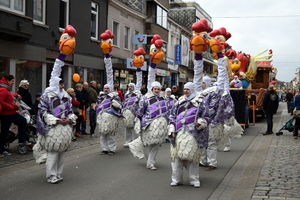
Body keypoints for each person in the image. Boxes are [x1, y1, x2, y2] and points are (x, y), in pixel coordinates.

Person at [168, 82, 209, 188]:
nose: (186, 91)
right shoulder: (179, 102)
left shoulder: (200, 102)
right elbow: (172, 116)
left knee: (192, 158)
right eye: (185, 89)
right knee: (176, 158)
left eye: (188, 89)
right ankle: (176, 179)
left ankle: (194, 180)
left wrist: (201, 121)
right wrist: (172, 126)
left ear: (192, 90)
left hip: (193, 134)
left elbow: (207, 116)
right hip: (179, 133)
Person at [129, 81, 168, 170]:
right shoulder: (145, 98)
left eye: (158, 89)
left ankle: (150, 163)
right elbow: (140, 111)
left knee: (157, 144)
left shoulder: (162, 98)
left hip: (160, 126)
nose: (157, 91)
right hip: (148, 124)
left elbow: (166, 111)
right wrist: (138, 121)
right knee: (147, 143)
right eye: (155, 89)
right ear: (152, 89)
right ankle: (149, 160)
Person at [0, 75, 30, 157]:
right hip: (6, 114)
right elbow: (1, 101)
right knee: (4, 131)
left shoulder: (6, 89)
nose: (13, 83)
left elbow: (8, 98)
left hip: (11, 112)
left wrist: (15, 95)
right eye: (12, 81)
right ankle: (1, 150)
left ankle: (22, 140)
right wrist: (11, 106)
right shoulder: (3, 89)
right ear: (7, 81)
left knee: (23, 121)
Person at [97, 84, 122, 155]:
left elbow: (119, 106)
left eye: (107, 88)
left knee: (111, 133)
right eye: (105, 88)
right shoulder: (101, 97)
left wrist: (113, 102)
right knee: (102, 133)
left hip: (111, 118)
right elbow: (98, 105)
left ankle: (111, 149)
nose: (105, 89)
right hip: (102, 117)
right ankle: (104, 149)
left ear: (110, 89)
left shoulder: (115, 97)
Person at [122, 83, 141, 147]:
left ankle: (134, 142)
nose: (130, 87)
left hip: (134, 113)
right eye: (129, 86)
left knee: (134, 128)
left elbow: (140, 103)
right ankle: (128, 141)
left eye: (131, 86)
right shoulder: (126, 94)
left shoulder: (138, 94)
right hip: (127, 113)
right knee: (127, 128)